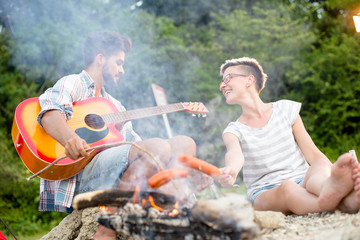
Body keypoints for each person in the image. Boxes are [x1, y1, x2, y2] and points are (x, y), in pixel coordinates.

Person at [37, 30, 211, 239]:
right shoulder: (73, 83)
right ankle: (106, 230)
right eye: (119, 63)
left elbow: (140, 150)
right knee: (159, 147)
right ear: (100, 59)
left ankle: (169, 213)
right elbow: (49, 114)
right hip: (79, 171)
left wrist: (189, 167)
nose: (122, 70)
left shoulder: (115, 105)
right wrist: (70, 139)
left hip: (114, 173)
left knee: (185, 143)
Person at [217, 57, 360, 215]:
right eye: (222, 81)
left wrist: (330, 170)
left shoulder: (285, 109)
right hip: (265, 192)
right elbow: (235, 154)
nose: (222, 85)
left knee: (319, 166)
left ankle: (330, 190)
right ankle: (337, 203)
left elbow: (314, 155)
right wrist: (231, 169)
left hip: (303, 178)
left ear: (249, 80)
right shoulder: (234, 130)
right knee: (288, 188)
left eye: (228, 78)